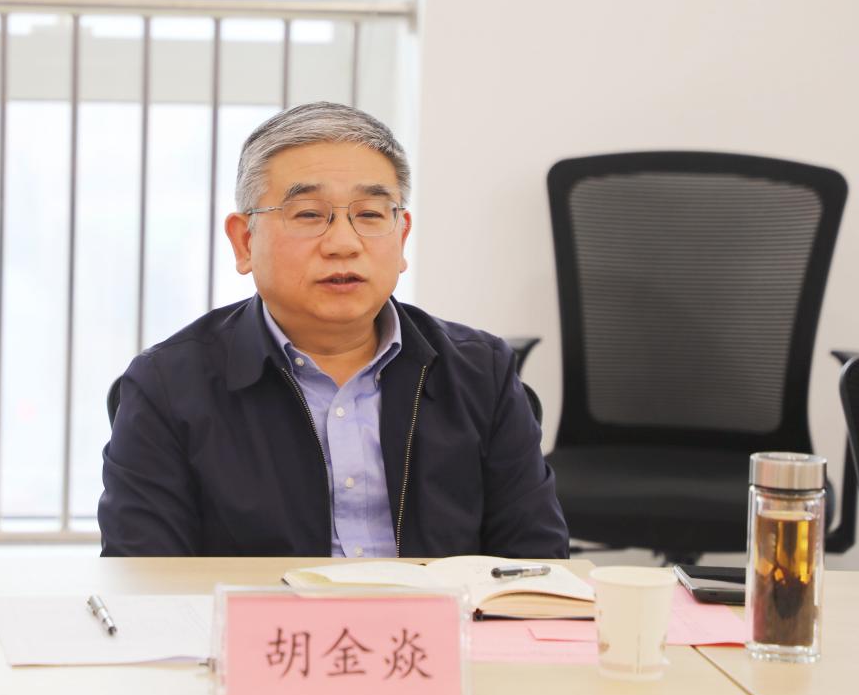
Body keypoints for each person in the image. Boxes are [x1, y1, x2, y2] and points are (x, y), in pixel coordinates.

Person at [98, 101, 568, 558]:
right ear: (244, 241)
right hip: (260, 617)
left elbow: (537, 567)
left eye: (370, 215)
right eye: (308, 214)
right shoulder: (167, 386)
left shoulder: (482, 374)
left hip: (438, 617)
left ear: (401, 236)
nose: (343, 243)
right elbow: (145, 585)